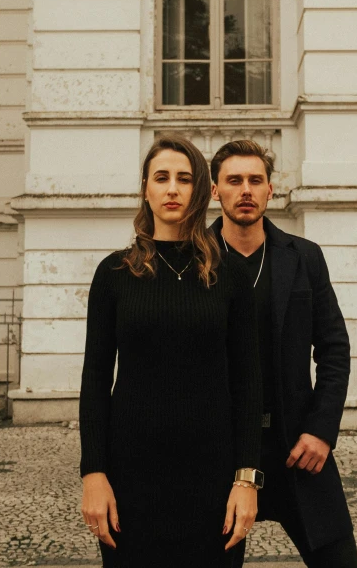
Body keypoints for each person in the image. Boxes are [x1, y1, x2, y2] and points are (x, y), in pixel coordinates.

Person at [79, 135, 263, 568]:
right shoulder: (114, 273)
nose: (173, 189)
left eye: (185, 179)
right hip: (130, 479)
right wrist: (93, 474)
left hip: (212, 480)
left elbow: (249, 385)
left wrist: (247, 480)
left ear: (201, 190)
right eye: (162, 178)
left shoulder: (230, 273)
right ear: (146, 187)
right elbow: (94, 381)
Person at [209, 139, 357, 568]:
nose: (246, 190)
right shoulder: (193, 261)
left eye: (255, 180)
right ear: (215, 191)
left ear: (270, 190)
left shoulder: (304, 257)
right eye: (234, 180)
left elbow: (334, 348)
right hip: (222, 449)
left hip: (297, 445)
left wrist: (322, 429)